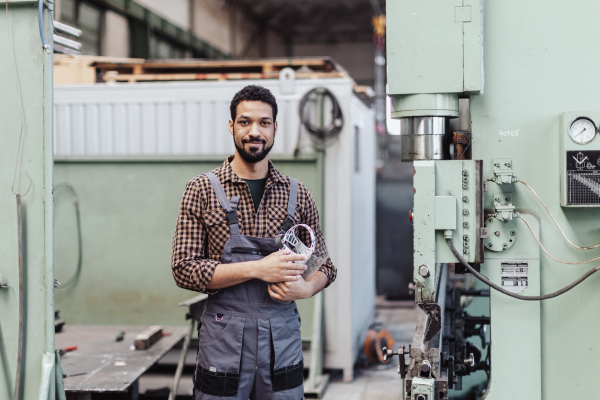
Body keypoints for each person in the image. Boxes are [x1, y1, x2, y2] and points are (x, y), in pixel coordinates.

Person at [171, 85, 336, 400]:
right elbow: (184, 269)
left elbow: (325, 266)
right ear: (231, 126)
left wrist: (306, 288)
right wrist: (259, 268)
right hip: (223, 337)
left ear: (275, 128)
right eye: (244, 122)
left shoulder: (297, 194)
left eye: (264, 122)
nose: (254, 131)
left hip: (281, 336)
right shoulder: (201, 189)